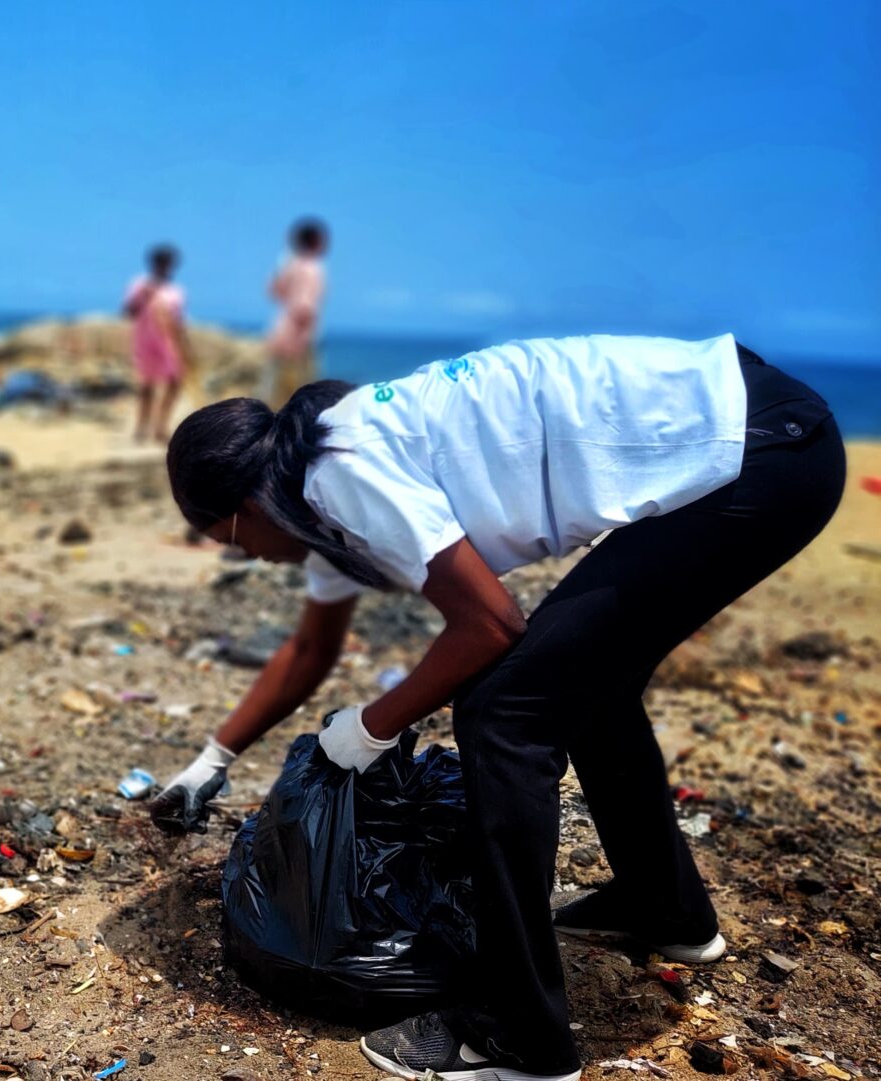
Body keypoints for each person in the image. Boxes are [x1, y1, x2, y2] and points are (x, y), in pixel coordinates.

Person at [150, 334, 842, 1081]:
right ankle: (664, 909)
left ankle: (522, 1035)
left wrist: (370, 728)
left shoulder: (337, 474)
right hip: (762, 434)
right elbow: (311, 650)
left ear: (247, 503)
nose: (244, 555)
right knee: (579, 680)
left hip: (754, 452)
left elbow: (489, 624)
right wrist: (210, 760)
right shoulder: (316, 491)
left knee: (503, 713)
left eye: (227, 538)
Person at [124, 243, 192, 444]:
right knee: (147, 385)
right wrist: (143, 295)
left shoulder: (176, 291)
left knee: (174, 383)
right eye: (161, 262)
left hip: (169, 343)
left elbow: (178, 320)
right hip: (145, 341)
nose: (164, 266)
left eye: (168, 263)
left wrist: (184, 344)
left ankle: (161, 426)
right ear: (153, 263)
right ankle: (141, 427)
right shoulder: (139, 284)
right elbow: (129, 311)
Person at [263, 217, 328, 408]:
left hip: (279, 329)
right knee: (302, 392)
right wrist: (304, 338)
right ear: (315, 241)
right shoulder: (313, 267)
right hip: (299, 334)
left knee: (275, 390)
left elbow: (274, 291)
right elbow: (304, 307)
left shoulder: (289, 264)